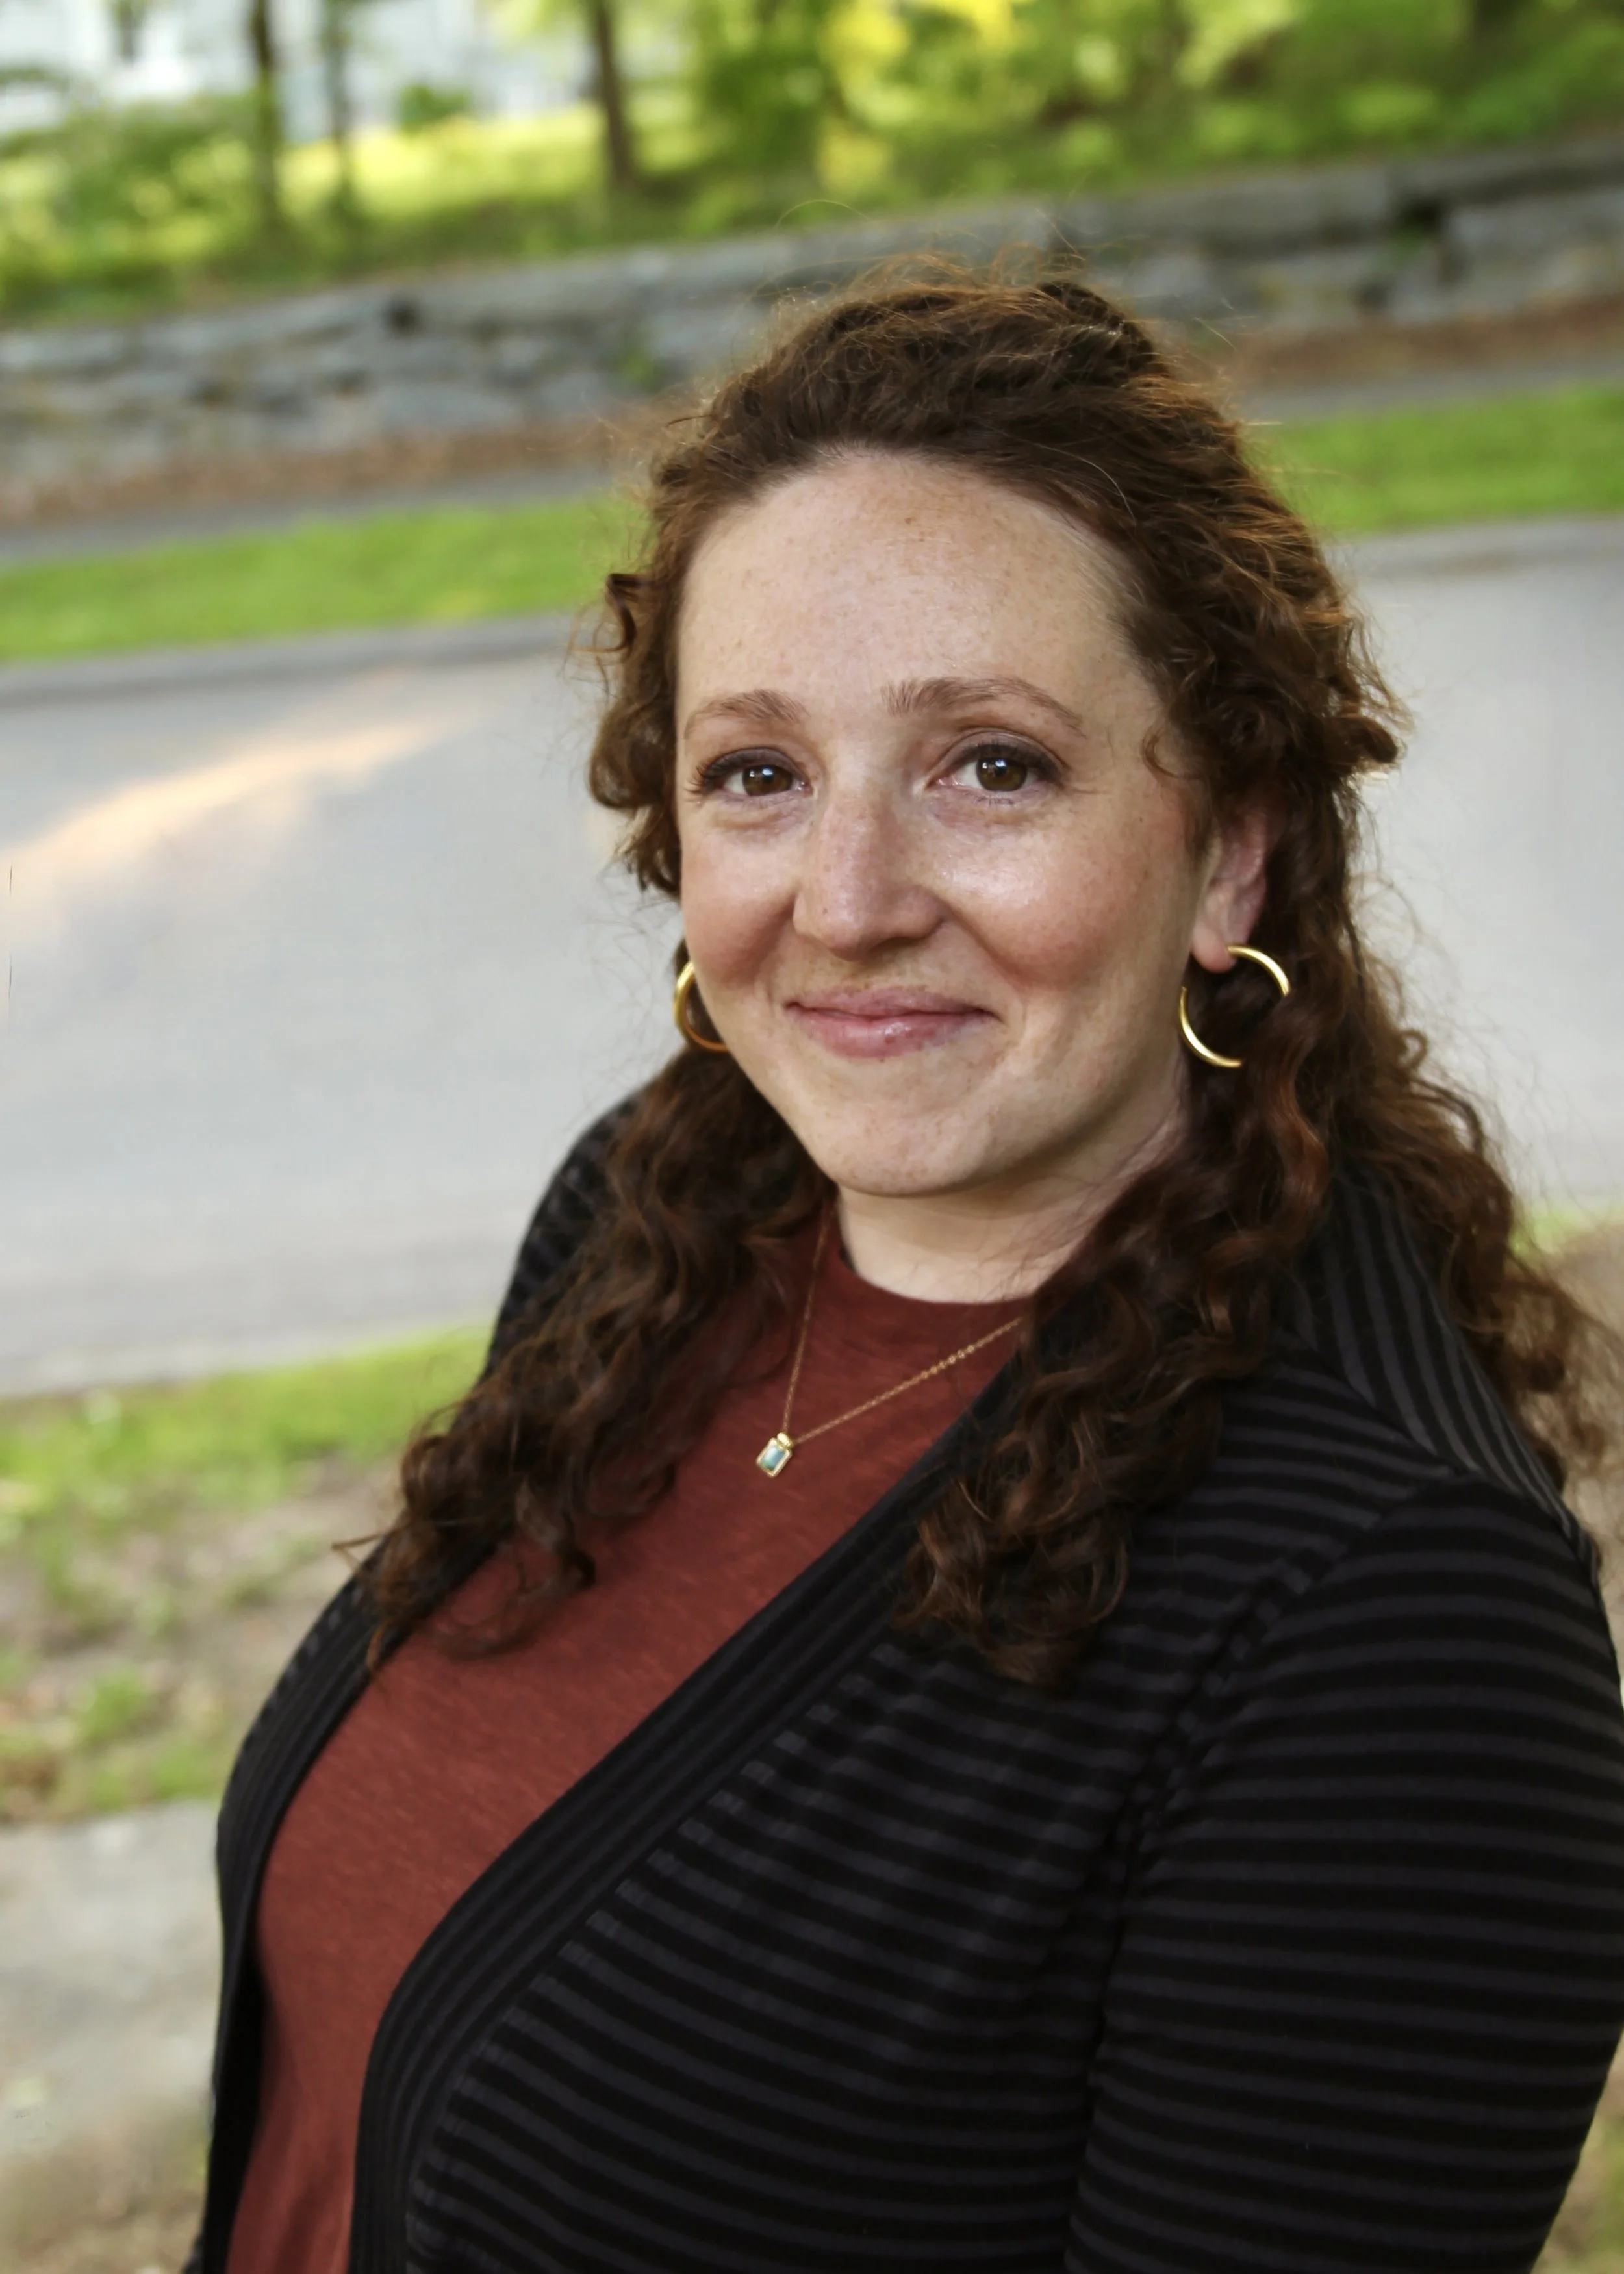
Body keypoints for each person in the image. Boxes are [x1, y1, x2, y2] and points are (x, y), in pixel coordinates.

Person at [192, 275, 1624, 2274]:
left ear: (1225, 849)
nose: (848, 904)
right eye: (757, 774)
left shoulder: (1383, 1612)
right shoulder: (654, 1214)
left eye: (991, 766)